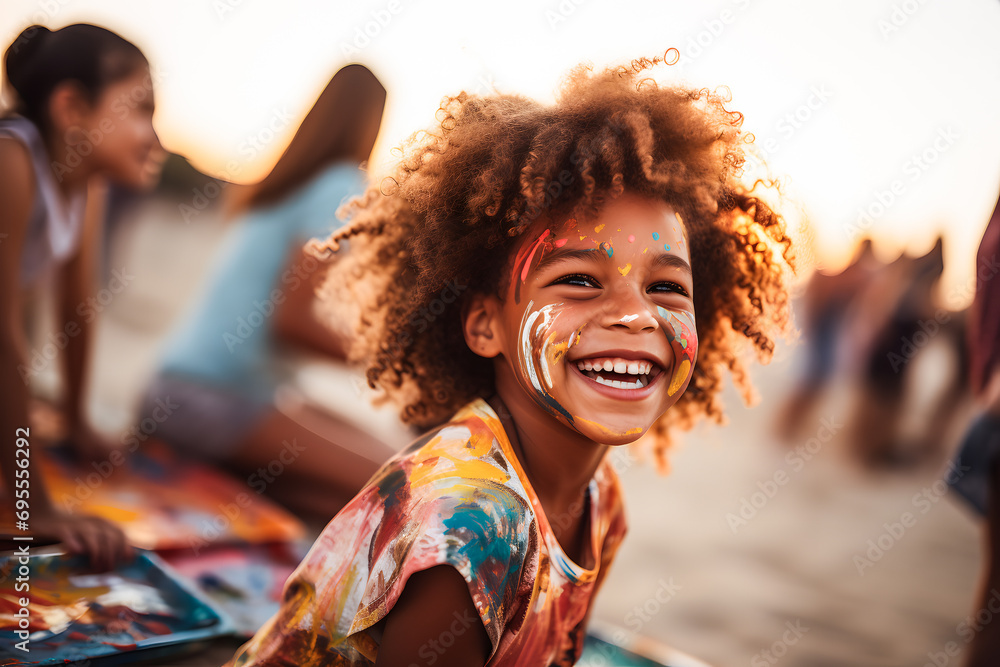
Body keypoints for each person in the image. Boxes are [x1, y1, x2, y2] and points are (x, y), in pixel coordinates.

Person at [225, 54, 797, 666]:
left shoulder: (599, 498)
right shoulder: (469, 532)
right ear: (484, 325)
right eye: (579, 279)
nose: (637, 316)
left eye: (667, 289)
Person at [138, 64, 398, 517]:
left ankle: (231, 490)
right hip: (213, 398)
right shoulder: (340, 185)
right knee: (399, 480)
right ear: (371, 125)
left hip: (174, 389)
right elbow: (290, 321)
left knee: (371, 477)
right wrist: (395, 363)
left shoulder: (284, 184)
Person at [0, 24, 163, 569]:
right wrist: (34, 506)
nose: (154, 138)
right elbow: (4, 340)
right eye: (141, 110)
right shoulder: (12, 161)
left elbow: (77, 310)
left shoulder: (83, 185)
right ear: (72, 107)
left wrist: (76, 422)